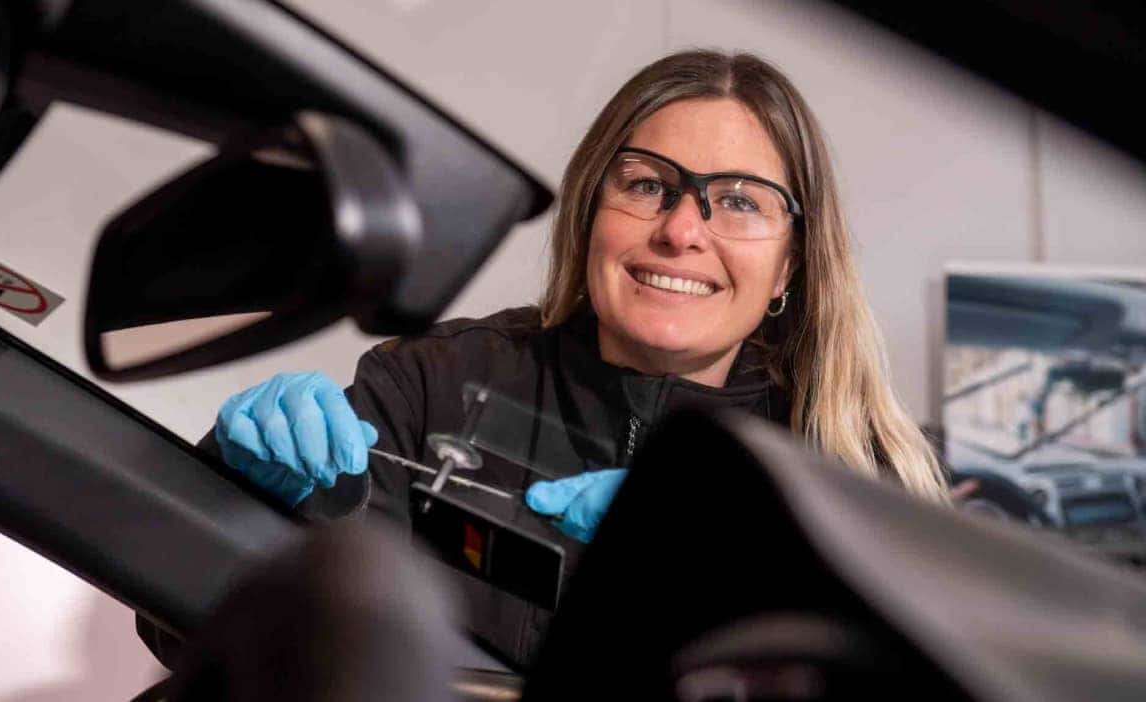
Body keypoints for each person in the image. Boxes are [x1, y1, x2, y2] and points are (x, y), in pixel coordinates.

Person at [208, 49, 949, 667]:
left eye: (739, 201)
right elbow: (210, 649)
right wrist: (244, 507)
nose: (682, 230)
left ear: (789, 265)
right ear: (592, 213)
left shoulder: (856, 480)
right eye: (648, 185)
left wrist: (739, 577)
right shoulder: (430, 386)